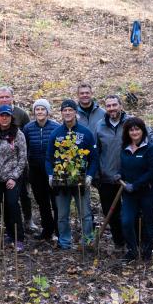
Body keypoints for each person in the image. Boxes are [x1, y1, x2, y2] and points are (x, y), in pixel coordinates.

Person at [95, 95, 153, 249]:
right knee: (113, 214)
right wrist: (96, 174)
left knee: (135, 215)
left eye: (114, 105)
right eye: (108, 106)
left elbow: (151, 136)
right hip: (109, 176)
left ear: (121, 105)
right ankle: (120, 243)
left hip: (131, 176)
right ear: (105, 108)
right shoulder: (100, 125)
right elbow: (96, 150)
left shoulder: (131, 122)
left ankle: (139, 245)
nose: (112, 108)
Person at [45, 100, 98, 249]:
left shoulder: (85, 132)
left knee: (85, 214)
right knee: (62, 215)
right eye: (64, 110)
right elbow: (48, 158)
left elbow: (94, 158)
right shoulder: (56, 133)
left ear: (75, 112)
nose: (67, 113)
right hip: (61, 178)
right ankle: (65, 242)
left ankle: (88, 241)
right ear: (61, 113)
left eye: (70, 110)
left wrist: (90, 176)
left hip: (80, 177)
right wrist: (50, 175)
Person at [0, 86, 34, 233]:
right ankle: (9, 231)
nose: (4, 99)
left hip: (17, 168)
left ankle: (26, 222)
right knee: (3, 203)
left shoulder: (21, 115)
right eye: (1, 97)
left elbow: (27, 136)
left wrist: (17, 173)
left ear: (12, 98)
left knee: (21, 197)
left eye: (6, 97)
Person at [118, 117, 153, 262]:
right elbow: (123, 167)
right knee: (126, 221)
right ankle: (132, 250)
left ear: (143, 131)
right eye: (131, 129)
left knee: (148, 222)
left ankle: (147, 252)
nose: (134, 132)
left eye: (137, 129)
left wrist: (135, 185)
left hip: (148, 192)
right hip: (129, 194)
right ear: (127, 132)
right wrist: (120, 175)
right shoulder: (125, 148)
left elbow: (152, 171)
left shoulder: (151, 148)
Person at [0, 105, 28, 252]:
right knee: (2, 206)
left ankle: (19, 238)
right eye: (1, 115)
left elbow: (23, 158)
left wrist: (13, 177)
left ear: (11, 117)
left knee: (12, 204)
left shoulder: (18, 135)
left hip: (12, 177)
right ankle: (10, 234)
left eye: (7, 115)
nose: (4, 118)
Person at [23, 99, 60, 241]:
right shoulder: (28, 128)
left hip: (53, 170)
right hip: (35, 170)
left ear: (48, 111)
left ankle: (59, 231)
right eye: (37, 109)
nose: (39, 112)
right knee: (42, 202)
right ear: (34, 112)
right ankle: (47, 230)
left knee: (56, 202)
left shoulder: (56, 127)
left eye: (42, 109)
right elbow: (24, 147)